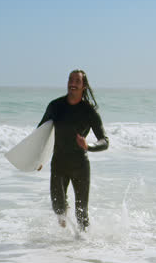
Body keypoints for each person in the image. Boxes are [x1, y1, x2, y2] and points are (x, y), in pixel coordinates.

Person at [38, 69, 108, 231]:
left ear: (84, 86)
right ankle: (64, 238)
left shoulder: (89, 111)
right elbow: (40, 133)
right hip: (59, 163)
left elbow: (104, 141)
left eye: (77, 81)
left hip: (80, 166)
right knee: (58, 208)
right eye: (70, 80)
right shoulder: (55, 106)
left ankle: (84, 242)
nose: (72, 83)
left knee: (81, 214)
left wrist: (88, 146)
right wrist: (39, 158)